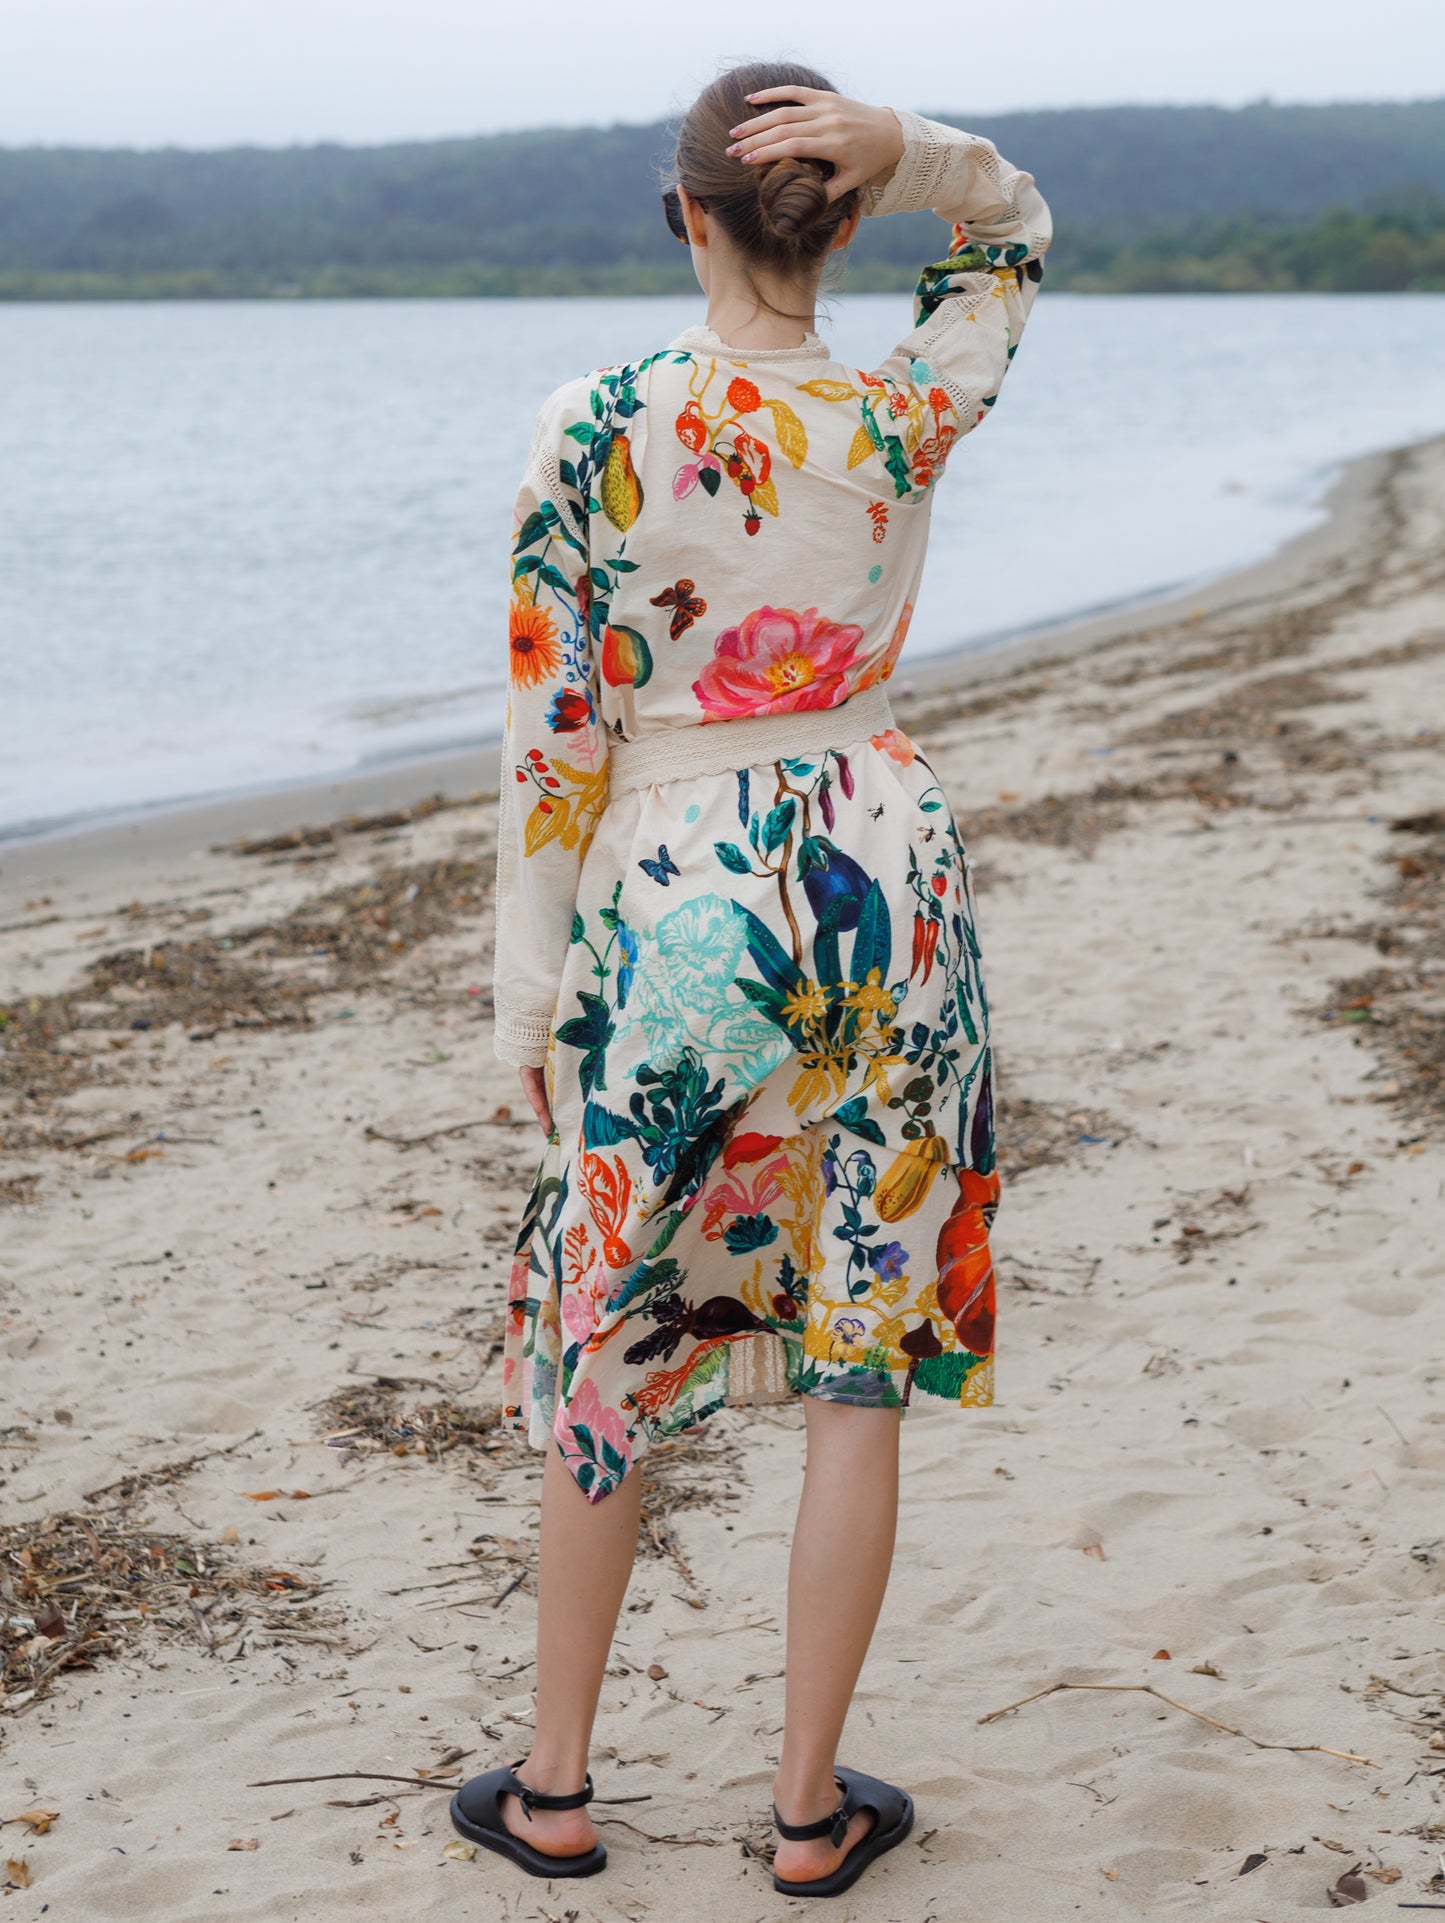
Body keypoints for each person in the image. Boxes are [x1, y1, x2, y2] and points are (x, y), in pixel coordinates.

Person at [451, 61, 1050, 1897]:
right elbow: (1013, 229)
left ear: (680, 213)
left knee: (613, 1331)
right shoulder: (897, 409)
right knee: (855, 1358)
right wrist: (922, 151)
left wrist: (529, 997)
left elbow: (556, 726)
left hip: (678, 883)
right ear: (845, 221)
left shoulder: (602, 417)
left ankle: (555, 1788)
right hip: (884, 860)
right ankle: (805, 1817)